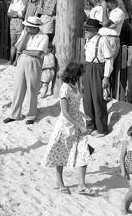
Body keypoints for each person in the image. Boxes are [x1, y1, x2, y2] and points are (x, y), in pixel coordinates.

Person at [41, 62, 92, 195]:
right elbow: (65, 112)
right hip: (66, 126)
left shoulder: (76, 86)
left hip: (78, 123)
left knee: (83, 152)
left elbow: (74, 107)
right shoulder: (64, 88)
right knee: (61, 153)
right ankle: (59, 182)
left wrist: (83, 116)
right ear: (75, 74)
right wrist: (79, 125)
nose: (82, 75)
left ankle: (81, 184)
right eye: (80, 73)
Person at [3, 16, 49, 125]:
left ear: (35, 27)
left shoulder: (44, 37)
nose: (26, 28)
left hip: (34, 63)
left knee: (32, 89)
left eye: (28, 27)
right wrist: (25, 38)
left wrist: (25, 51)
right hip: (22, 62)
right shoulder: (25, 34)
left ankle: (31, 115)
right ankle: (15, 114)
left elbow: (38, 53)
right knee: (18, 88)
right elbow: (18, 48)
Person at [7, 0, 28, 65]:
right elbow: (8, 13)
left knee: (19, 43)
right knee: (12, 42)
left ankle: (16, 61)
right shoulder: (14, 0)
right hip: (12, 21)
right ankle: (11, 60)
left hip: (19, 21)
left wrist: (14, 13)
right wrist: (15, 13)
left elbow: (21, 14)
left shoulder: (24, 1)